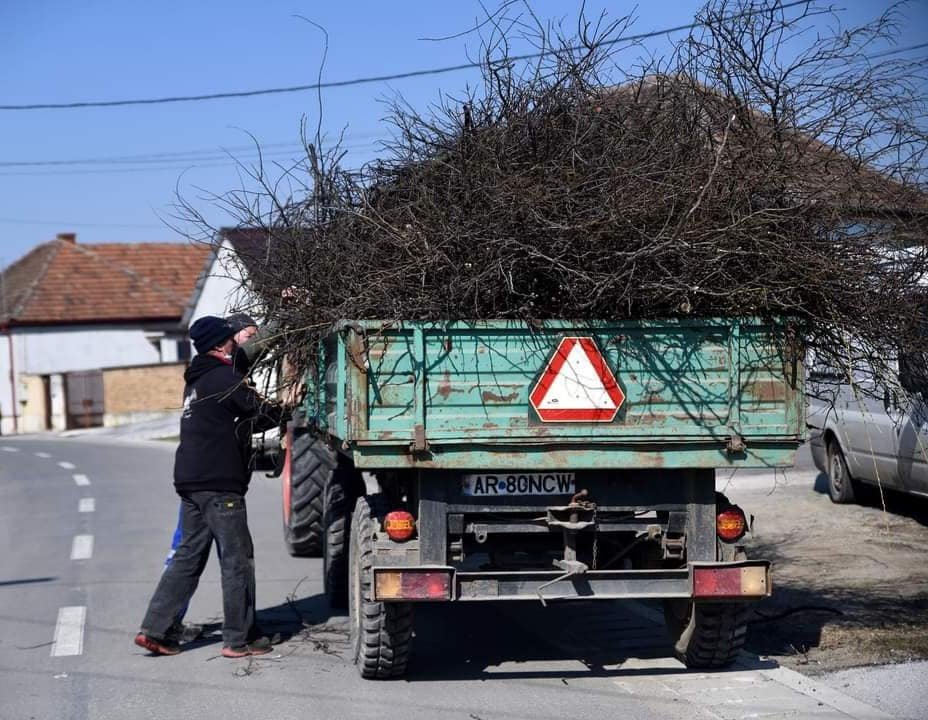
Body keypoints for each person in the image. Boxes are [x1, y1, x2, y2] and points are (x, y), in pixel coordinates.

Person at [134, 315, 286, 658]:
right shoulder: (223, 378)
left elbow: (242, 410)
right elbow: (260, 412)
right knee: (236, 559)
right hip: (218, 485)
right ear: (221, 343)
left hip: (191, 482)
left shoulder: (198, 379)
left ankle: (156, 630)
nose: (236, 340)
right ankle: (239, 639)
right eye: (232, 337)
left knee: (187, 557)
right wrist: (288, 407)